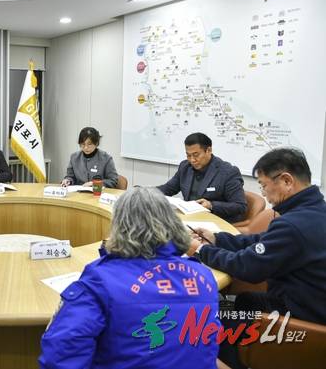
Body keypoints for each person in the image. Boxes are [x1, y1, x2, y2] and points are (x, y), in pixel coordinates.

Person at [39, 187, 219, 369]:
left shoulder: (101, 279)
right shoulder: (203, 275)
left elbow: (61, 354)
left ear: (119, 227)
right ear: (173, 223)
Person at [190, 148, 326, 324]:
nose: (263, 193)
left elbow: (246, 267)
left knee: (203, 319)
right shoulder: (316, 209)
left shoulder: (292, 225)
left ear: (286, 181)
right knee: (245, 300)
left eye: (263, 185)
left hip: (302, 318)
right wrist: (217, 239)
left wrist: (200, 250)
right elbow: (263, 240)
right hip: (310, 302)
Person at [157, 132, 247, 223]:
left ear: (209, 150)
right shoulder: (185, 166)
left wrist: (211, 205)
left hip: (215, 222)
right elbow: (168, 188)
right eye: (188, 155)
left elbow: (240, 206)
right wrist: (148, 193)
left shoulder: (228, 172)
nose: (192, 160)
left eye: (196, 155)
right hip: (190, 219)